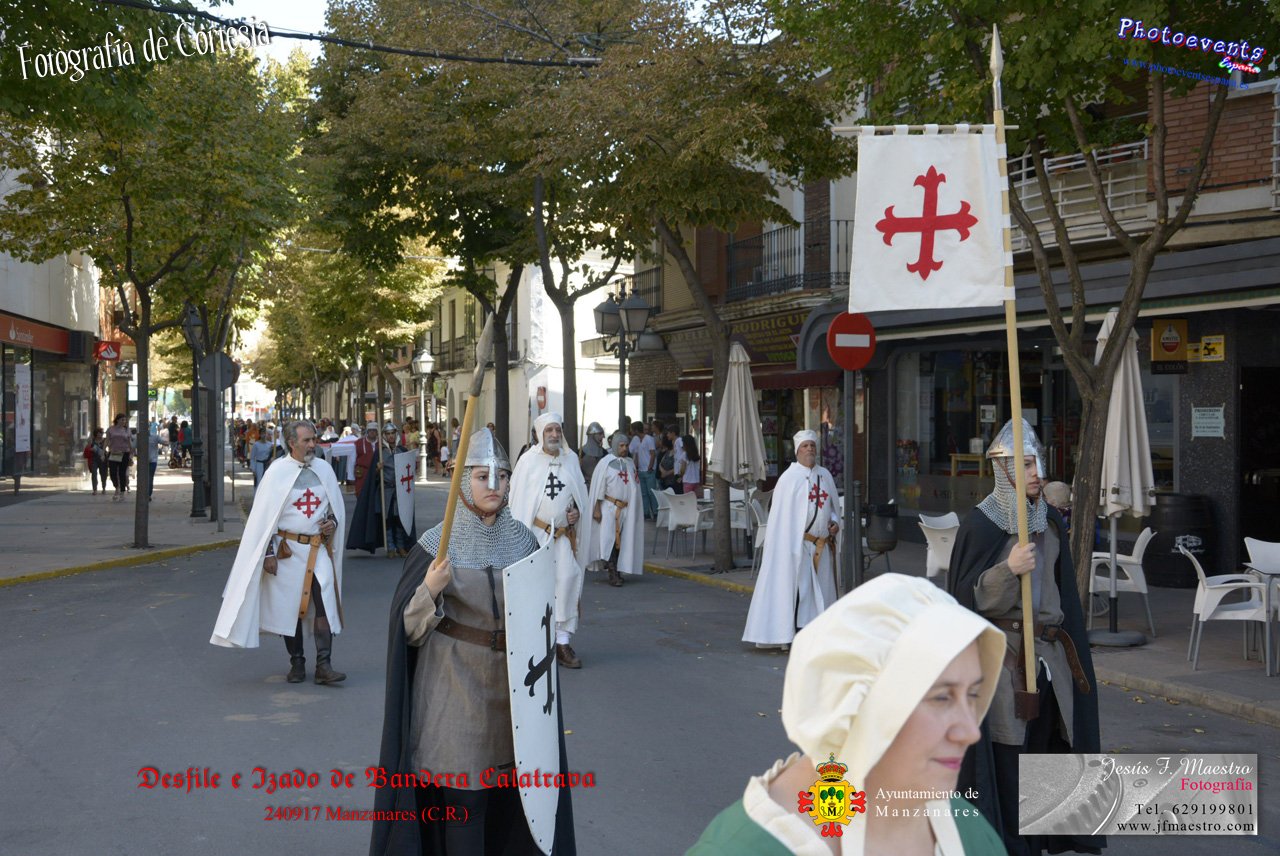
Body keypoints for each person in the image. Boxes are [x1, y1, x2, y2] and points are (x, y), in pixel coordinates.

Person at [689, 574, 1007, 855]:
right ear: (861, 702)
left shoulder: (965, 828)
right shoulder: (745, 849)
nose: (971, 732)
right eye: (941, 698)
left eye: (973, 694)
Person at [370, 428, 576, 856]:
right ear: (463, 482)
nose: (494, 485)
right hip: (455, 690)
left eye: (501, 477)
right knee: (466, 800)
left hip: (513, 695)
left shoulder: (524, 542)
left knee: (513, 801)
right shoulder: (436, 546)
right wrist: (429, 589)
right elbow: (407, 632)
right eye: (483, 476)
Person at [946, 419, 1102, 856]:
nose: (1037, 473)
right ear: (1003, 468)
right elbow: (965, 597)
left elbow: (1063, 593)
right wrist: (1007, 570)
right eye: (1026, 465)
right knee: (1009, 762)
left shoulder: (1049, 520)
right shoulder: (981, 524)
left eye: (1038, 463)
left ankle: (1041, 841)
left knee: (1049, 751)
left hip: (1051, 656)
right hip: (1006, 663)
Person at [211, 420, 348, 685]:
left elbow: (334, 508)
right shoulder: (276, 473)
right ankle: (297, 662)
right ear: (291, 443)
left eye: (314, 439)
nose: (313, 444)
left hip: (317, 549)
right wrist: (269, 553)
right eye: (307, 440)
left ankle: (324, 665)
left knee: (325, 602)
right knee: (290, 608)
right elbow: (265, 520)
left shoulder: (324, 469)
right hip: (288, 551)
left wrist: (332, 522)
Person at [742, 430, 841, 649]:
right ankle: (793, 634)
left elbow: (832, 508)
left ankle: (818, 634)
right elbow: (781, 519)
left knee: (821, 591)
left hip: (822, 545)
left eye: (812, 445)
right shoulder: (788, 479)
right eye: (805, 446)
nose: (809, 449)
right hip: (797, 545)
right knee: (799, 591)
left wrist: (835, 522)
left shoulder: (825, 475)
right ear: (797, 451)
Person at [510, 412, 588, 669]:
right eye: (549, 430)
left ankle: (562, 641)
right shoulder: (528, 462)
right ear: (539, 434)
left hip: (562, 537)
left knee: (567, 580)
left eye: (557, 429)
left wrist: (576, 513)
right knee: (536, 588)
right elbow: (518, 501)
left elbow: (579, 497)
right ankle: (533, 642)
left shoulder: (571, 459)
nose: (554, 434)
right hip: (535, 535)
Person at [581, 431, 643, 588]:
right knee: (609, 541)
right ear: (615, 445)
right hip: (609, 508)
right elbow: (599, 488)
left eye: (626, 445)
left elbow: (634, 487)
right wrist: (596, 509)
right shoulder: (605, 464)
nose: (624, 448)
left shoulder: (630, 463)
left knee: (623, 540)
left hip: (626, 509)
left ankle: (618, 570)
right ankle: (612, 572)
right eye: (621, 445)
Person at [347, 422, 417, 558]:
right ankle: (390, 547)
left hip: (400, 491)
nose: (391, 436)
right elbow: (372, 477)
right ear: (384, 435)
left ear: (396, 434)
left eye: (392, 433)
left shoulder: (402, 451)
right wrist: (377, 469)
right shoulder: (380, 453)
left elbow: (409, 470)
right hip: (385, 491)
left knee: (400, 518)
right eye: (388, 434)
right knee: (388, 519)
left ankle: (401, 546)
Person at [629, 421, 658, 520]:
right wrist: (635, 468)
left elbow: (653, 453)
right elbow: (637, 455)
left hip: (649, 470)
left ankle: (655, 512)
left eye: (632, 429)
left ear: (636, 430)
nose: (631, 431)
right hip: (641, 470)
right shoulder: (637, 440)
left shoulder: (648, 438)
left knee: (651, 492)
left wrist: (650, 466)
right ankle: (646, 513)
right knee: (644, 493)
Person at [105, 414, 131, 501]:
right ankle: (117, 487)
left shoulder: (127, 430)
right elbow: (107, 440)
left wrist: (131, 453)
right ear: (117, 420)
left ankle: (122, 492)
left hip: (124, 453)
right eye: (122, 420)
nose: (124, 422)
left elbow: (129, 442)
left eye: (125, 420)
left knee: (122, 473)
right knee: (112, 472)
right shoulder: (111, 429)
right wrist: (103, 451)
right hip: (114, 453)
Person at [353, 421, 380, 496]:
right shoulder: (358, 443)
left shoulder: (381, 443)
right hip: (362, 473)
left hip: (377, 473)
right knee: (361, 494)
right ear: (367, 431)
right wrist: (351, 477)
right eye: (370, 430)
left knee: (375, 495)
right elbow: (352, 460)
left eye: (374, 430)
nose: (372, 432)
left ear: (377, 432)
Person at [84, 429, 109, 495]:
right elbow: (87, 447)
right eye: (99, 433)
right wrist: (91, 449)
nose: (100, 434)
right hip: (94, 459)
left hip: (103, 459)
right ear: (96, 434)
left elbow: (108, 447)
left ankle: (104, 488)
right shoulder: (92, 440)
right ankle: (95, 489)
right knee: (94, 474)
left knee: (103, 474)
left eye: (101, 433)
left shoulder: (104, 440)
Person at [678, 434, 703, 498]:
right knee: (695, 500)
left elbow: (682, 469)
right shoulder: (696, 455)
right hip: (696, 481)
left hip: (687, 481)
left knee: (688, 500)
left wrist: (680, 476)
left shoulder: (684, 455)